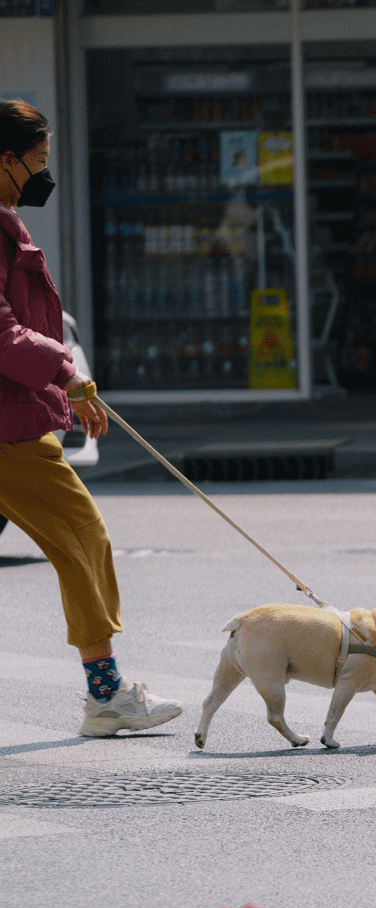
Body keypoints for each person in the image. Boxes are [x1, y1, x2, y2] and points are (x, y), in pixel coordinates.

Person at [0, 98, 183, 737]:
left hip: (15, 413)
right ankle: (106, 696)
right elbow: (2, 333)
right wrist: (70, 377)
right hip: (7, 428)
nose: (44, 175)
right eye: (38, 161)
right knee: (83, 537)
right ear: (5, 160)